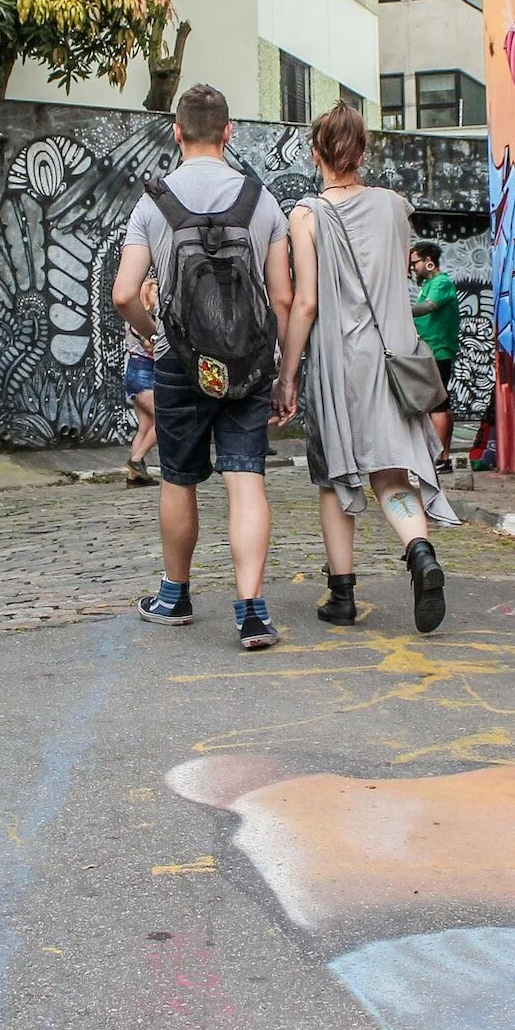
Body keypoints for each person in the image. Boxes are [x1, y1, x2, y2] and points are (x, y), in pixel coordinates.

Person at [112, 85, 293, 651]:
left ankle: (175, 596)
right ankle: (253, 612)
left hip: (181, 364)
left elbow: (123, 294)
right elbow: (283, 298)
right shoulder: (261, 200)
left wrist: (157, 338)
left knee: (179, 477)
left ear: (177, 131)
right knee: (246, 481)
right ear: (229, 131)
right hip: (248, 363)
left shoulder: (153, 203)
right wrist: (285, 371)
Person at [277, 103, 456, 632]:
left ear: (316, 154)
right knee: (393, 472)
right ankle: (419, 551)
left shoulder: (305, 215)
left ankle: (342, 596)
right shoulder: (396, 206)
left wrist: (287, 374)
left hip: (341, 360)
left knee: (337, 476)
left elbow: (306, 303)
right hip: (393, 355)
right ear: (363, 151)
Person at [410, 241, 461, 465]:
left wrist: (398, 309)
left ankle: (440, 458)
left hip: (438, 351)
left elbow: (429, 307)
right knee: (438, 403)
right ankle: (442, 456)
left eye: (415, 263)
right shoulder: (430, 283)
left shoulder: (441, 282)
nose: (413, 268)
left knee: (438, 405)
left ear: (429, 261)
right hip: (430, 350)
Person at [123, 277, 161, 486]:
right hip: (142, 374)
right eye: (155, 292)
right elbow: (150, 346)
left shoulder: (144, 317)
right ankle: (136, 461)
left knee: (146, 425)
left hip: (138, 373)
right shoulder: (141, 319)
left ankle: (134, 477)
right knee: (166, 419)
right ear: (146, 294)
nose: (158, 296)